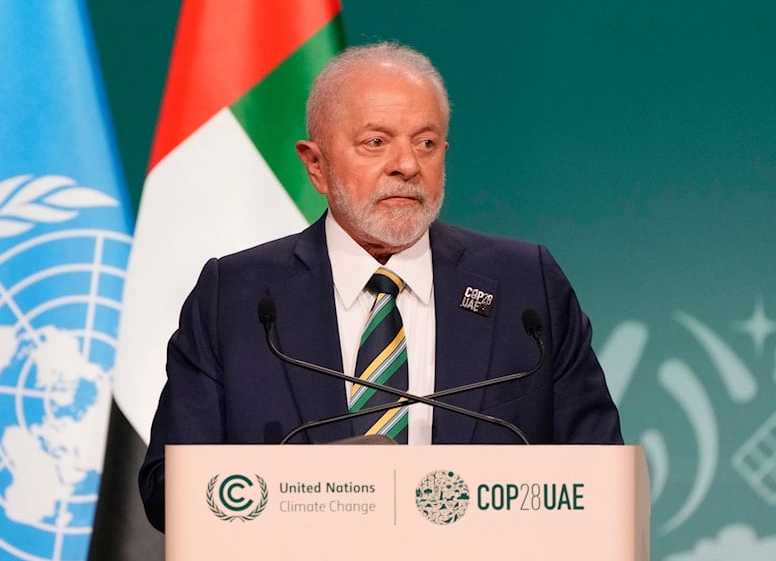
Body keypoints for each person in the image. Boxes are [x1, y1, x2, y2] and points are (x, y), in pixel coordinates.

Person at [138, 42, 623, 533]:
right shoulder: (236, 298)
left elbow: (602, 479)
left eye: (426, 143)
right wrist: (302, 495)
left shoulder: (526, 287)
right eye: (376, 142)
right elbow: (167, 490)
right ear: (316, 166)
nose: (407, 165)